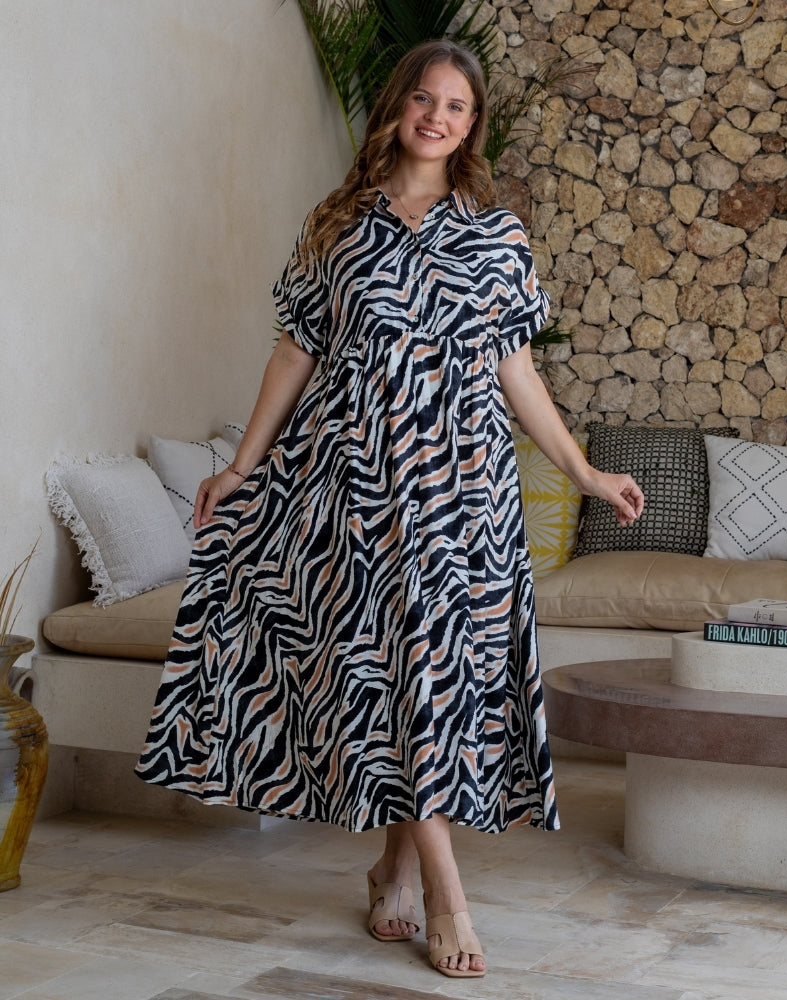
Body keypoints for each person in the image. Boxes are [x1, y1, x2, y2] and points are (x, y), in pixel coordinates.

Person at [136, 39, 644, 979]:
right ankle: (448, 895)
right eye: (423, 98)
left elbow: (516, 370)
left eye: (456, 105)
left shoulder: (496, 231)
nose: (437, 116)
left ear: (471, 125)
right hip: (354, 484)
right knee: (395, 668)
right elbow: (296, 349)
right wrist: (242, 465)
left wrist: (581, 470)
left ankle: (394, 869)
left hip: (465, 491)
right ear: (397, 111)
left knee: (437, 678)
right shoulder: (337, 224)